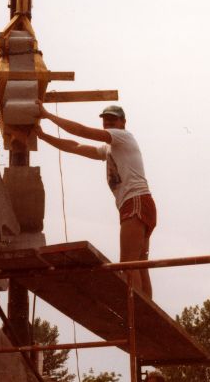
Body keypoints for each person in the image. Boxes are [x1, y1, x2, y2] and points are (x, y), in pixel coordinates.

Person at [35, 102, 157, 298]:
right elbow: (75, 146)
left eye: (112, 119)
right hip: (140, 202)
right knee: (139, 264)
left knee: (128, 264)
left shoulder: (122, 137)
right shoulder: (110, 149)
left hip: (135, 201)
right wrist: (44, 136)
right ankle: (147, 320)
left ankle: (135, 316)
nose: (107, 122)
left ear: (123, 122)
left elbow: (82, 131)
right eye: (105, 119)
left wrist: (48, 116)